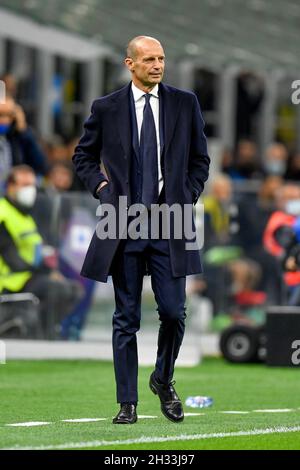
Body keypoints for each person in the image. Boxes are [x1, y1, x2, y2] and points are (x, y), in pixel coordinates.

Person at [73, 36, 210, 424]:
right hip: (124, 221)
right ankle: (127, 403)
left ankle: (163, 379)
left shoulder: (185, 103)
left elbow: (201, 159)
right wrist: (101, 187)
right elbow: (83, 155)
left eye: (162, 58)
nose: (157, 65)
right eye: (149, 59)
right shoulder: (106, 107)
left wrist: (190, 192)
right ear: (129, 63)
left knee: (173, 312)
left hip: (172, 222)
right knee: (126, 317)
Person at [0, 165, 82, 338]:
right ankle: (36, 333)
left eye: (32, 185)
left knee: (74, 289)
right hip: (11, 281)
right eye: (24, 185)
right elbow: (11, 258)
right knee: (58, 290)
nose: (30, 190)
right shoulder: (3, 213)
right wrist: (45, 272)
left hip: (28, 276)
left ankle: (41, 331)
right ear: (10, 187)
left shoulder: (24, 215)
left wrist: (51, 271)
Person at [0, 95, 47, 191]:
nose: (4, 120)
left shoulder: (16, 138)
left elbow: (40, 165)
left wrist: (23, 130)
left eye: (9, 115)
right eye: (1, 115)